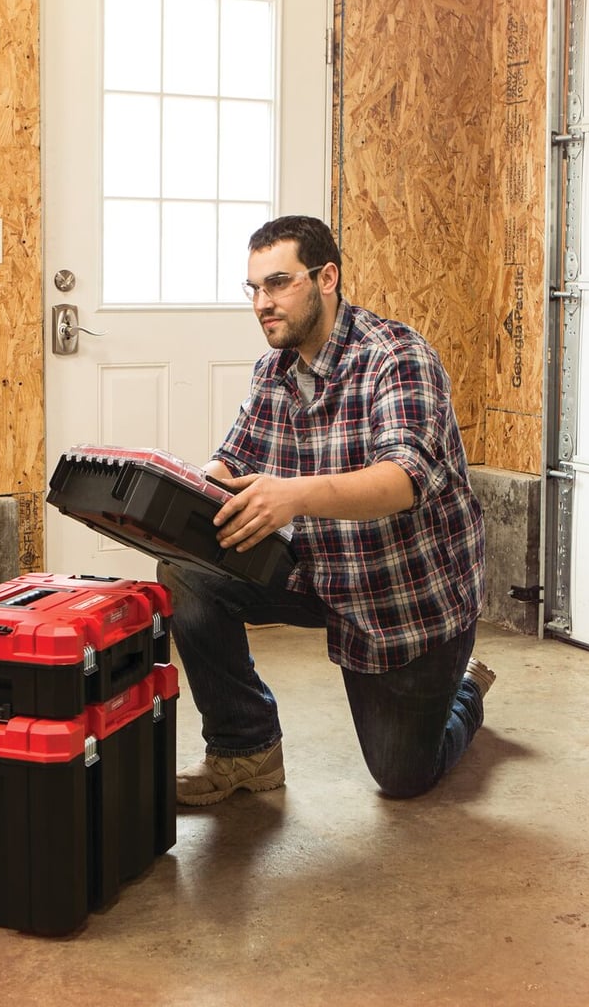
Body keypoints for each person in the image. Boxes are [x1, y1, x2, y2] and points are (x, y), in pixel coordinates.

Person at [161, 214, 492, 805]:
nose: (263, 302)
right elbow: (232, 460)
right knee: (188, 574)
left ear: (327, 277)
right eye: (255, 288)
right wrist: (184, 493)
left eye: (279, 283)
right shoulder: (275, 370)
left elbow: (402, 479)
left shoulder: (395, 357)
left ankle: (465, 690)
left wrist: (294, 493)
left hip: (407, 600)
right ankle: (246, 750)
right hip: (323, 571)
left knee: (402, 777)